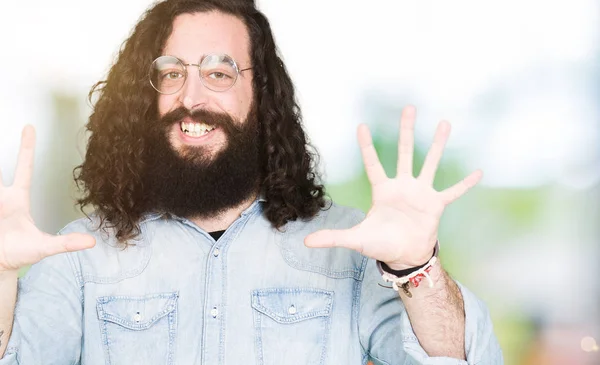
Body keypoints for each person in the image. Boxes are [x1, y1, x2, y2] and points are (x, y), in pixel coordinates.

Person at [0, 0, 503, 364]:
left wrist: (419, 267)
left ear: (260, 95)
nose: (190, 95)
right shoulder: (79, 257)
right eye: (171, 72)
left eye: (219, 74)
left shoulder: (350, 248)